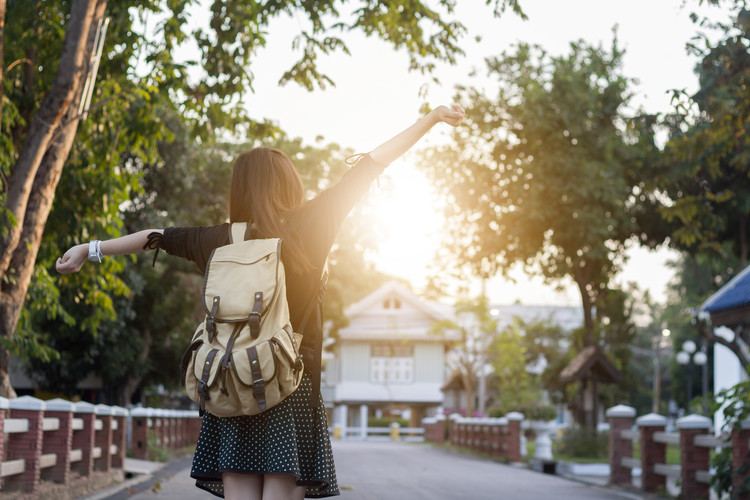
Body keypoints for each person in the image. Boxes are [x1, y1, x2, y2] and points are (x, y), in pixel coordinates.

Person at [56, 104, 465, 500]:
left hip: (232, 384)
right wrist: (428, 120)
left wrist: (88, 249)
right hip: (290, 381)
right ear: (289, 183)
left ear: (239, 188)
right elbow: (371, 164)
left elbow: (155, 235)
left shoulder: (216, 239)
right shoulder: (313, 223)